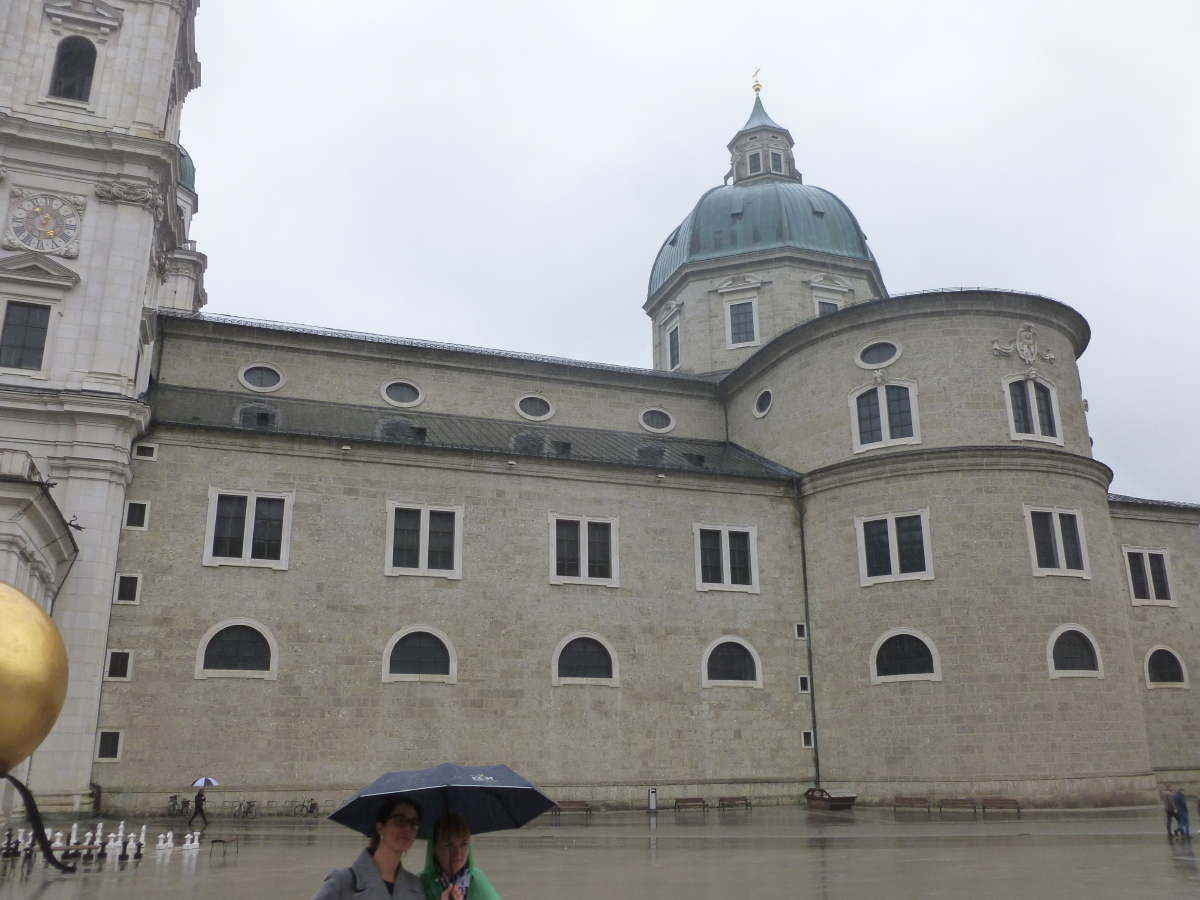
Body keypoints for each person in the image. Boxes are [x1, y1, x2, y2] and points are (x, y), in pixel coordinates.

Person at [312, 799, 424, 899]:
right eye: (400, 820)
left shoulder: (415, 886)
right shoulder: (343, 881)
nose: (407, 829)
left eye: (414, 823)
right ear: (380, 827)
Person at [419, 813, 501, 900]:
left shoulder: (477, 881)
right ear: (434, 848)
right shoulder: (419, 885)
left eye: (464, 844)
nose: (457, 852)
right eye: (449, 845)